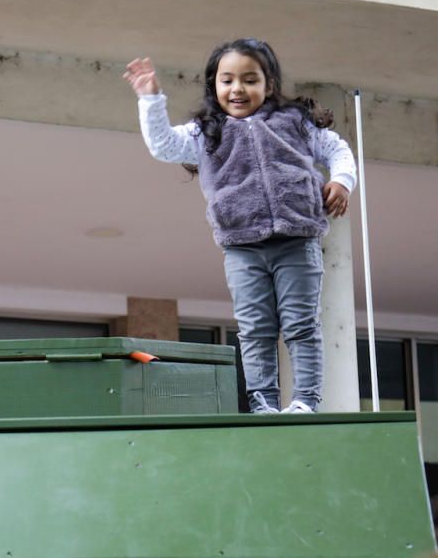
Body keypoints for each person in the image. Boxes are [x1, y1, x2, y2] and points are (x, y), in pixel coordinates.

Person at [123, 38, 357, 414]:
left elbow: (336, 149)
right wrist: (151, 99)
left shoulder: (294, 122)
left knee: (301, 325)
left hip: (297, 240)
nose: (237, 89)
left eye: (250, 80)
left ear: (269, 84)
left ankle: (305, 401)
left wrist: (342, 180)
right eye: (227, 80)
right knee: (255, 328)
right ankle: (263, 402)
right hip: (241, 247)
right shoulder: (206, 132)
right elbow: (164, 146)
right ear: (214, 86)